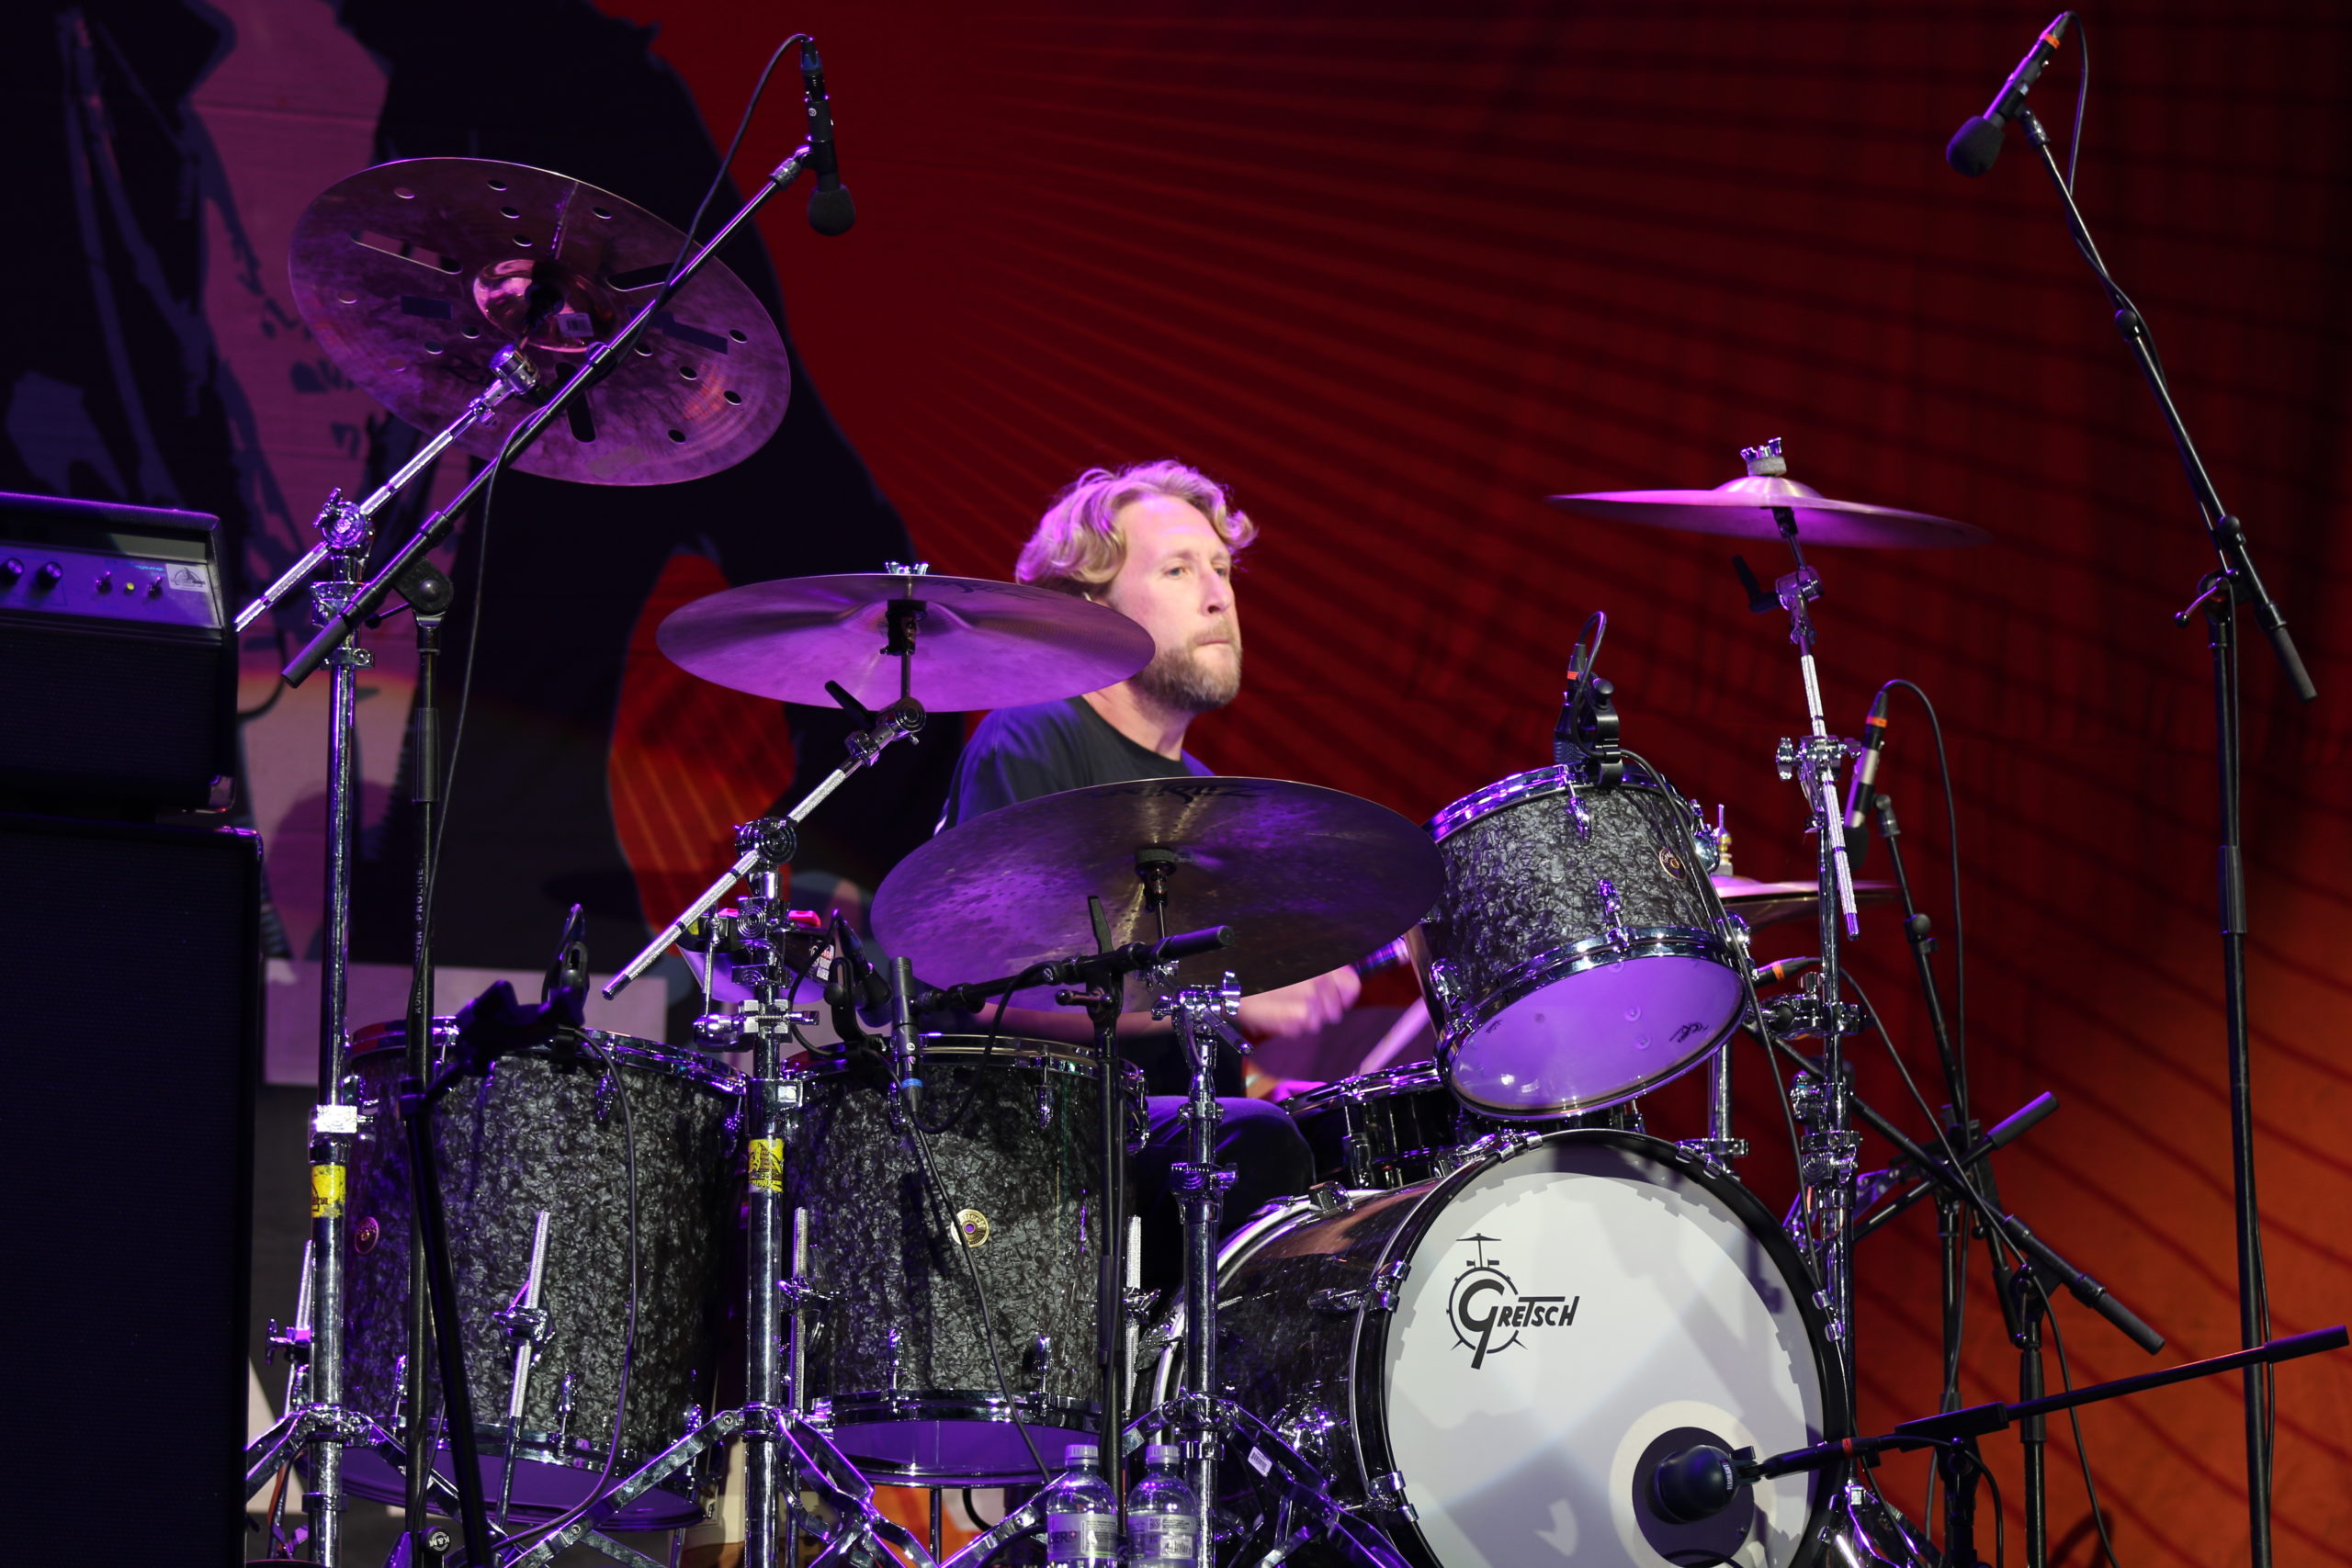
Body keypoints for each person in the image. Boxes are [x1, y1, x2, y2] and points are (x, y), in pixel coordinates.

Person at [939, 458, 1362, 1285]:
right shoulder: (1035, 738)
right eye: (1177, 570)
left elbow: (1197, 1050)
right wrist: (1223, 996)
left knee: (1355, 1141)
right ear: (1094, 608)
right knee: (1256, 1143)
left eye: (1221, 569)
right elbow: (991, 996)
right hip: (1050, 1143)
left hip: (1173, 1125)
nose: (1218, 596)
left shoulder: (1203, 795)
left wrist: (1270, 1066)